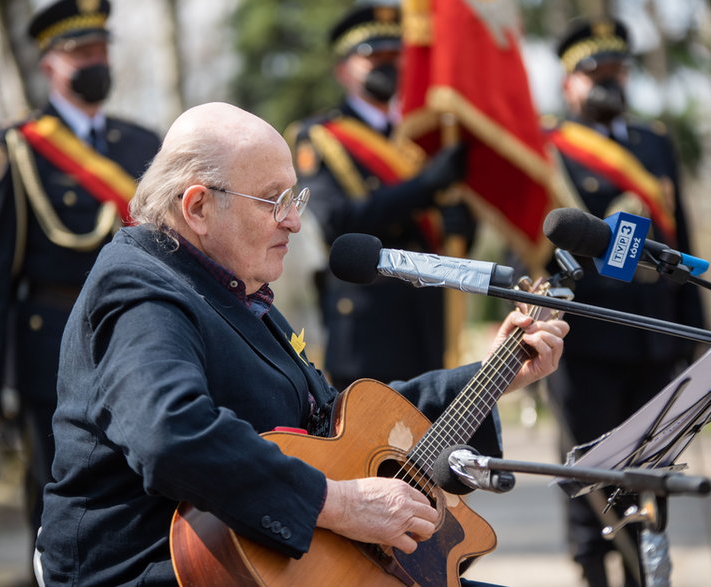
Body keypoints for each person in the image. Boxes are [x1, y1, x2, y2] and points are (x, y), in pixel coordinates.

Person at [33, 101, 568, 586]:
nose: (293, 220)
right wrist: (335, 503)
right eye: (273, 201)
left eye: (295, 198)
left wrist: (498, 373)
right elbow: (170, 433)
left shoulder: (232, 288)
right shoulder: (140, 287)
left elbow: (332, 422)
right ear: (196, 207)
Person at [0, 0, 160, 546]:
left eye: (100, 50)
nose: (95, 62)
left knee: (145, 492)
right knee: (59, 497)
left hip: (139, 337)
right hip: (50, 343)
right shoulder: (17, 149)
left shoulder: (145, 144)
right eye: (80, 53)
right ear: (49, 63)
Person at [543, 16, 706, 587]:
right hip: (585, 338)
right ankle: (593, 572)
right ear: (569, 83)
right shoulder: (548, 147)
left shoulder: (654, 143)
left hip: (657, 336)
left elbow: (681, 243)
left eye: (617, 71)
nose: (609, 83)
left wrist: (695, 335)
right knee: (587, 468)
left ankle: (648, 572)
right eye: (595, 72)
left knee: (652, 470)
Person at [289, 1, 477, 390]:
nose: (388, 65)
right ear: (342, 69)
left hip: (429, 313)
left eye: (396, 54)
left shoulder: (426, 135)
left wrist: (460, 223)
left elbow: (448, 226)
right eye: (373, 56)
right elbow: (337, 223)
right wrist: (424, 188)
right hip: (368, 321)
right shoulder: (321, 136)